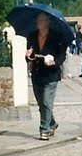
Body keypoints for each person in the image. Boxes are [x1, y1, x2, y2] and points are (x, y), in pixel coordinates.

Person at [26, 13, 67, 141]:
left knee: (46, 101)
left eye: (42, 20)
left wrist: (55, 61)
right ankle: (52, 123)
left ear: (48, 22)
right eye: (38, 20)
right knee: (41, 103)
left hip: (51, 73)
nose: (40, 23)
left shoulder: (56, 36)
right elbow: (30, 56)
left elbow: (62, 54)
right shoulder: (32, 35)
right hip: (37, 73)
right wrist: (28, 55)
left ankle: (44, 129)